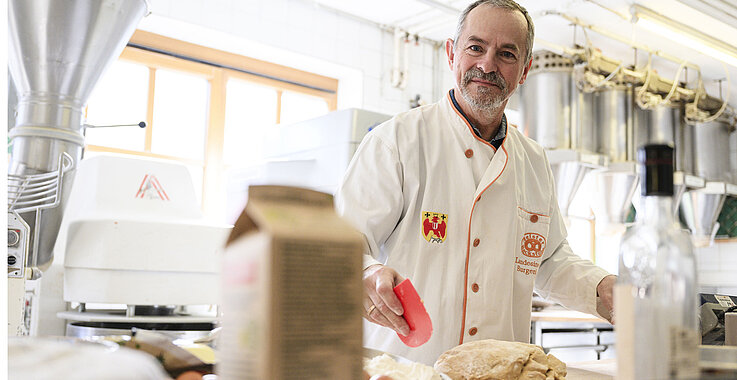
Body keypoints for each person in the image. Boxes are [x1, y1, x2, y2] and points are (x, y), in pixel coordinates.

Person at [335, 0, 616, 366]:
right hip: (405, 368)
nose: (487, 64)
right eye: (475, 47)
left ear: (525, 69)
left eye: (507, 54)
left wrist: (605, 289)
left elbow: (549, 261)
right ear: (452, 54)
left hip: (499, 371)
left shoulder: (533, 159)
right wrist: (367, 273)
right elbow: (342, 243)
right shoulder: (398, 141)